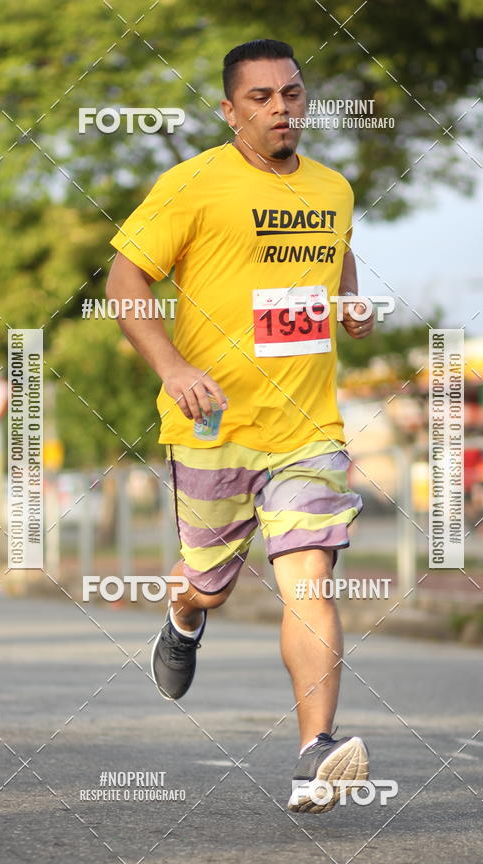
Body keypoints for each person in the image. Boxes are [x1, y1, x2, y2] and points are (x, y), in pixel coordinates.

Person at [106, 38, 375, 814]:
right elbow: (126, 277)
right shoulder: (192, 186)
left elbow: (337, 249)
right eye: (261, 97)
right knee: (209, 586)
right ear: (230, 111)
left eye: (292, 93)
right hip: (213, 427)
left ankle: (314, 753)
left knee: (310, 582)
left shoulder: (333, 187)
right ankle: (183, 617)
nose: (281, 108)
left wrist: (349, 298)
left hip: (307, 427)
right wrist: (173, 368)